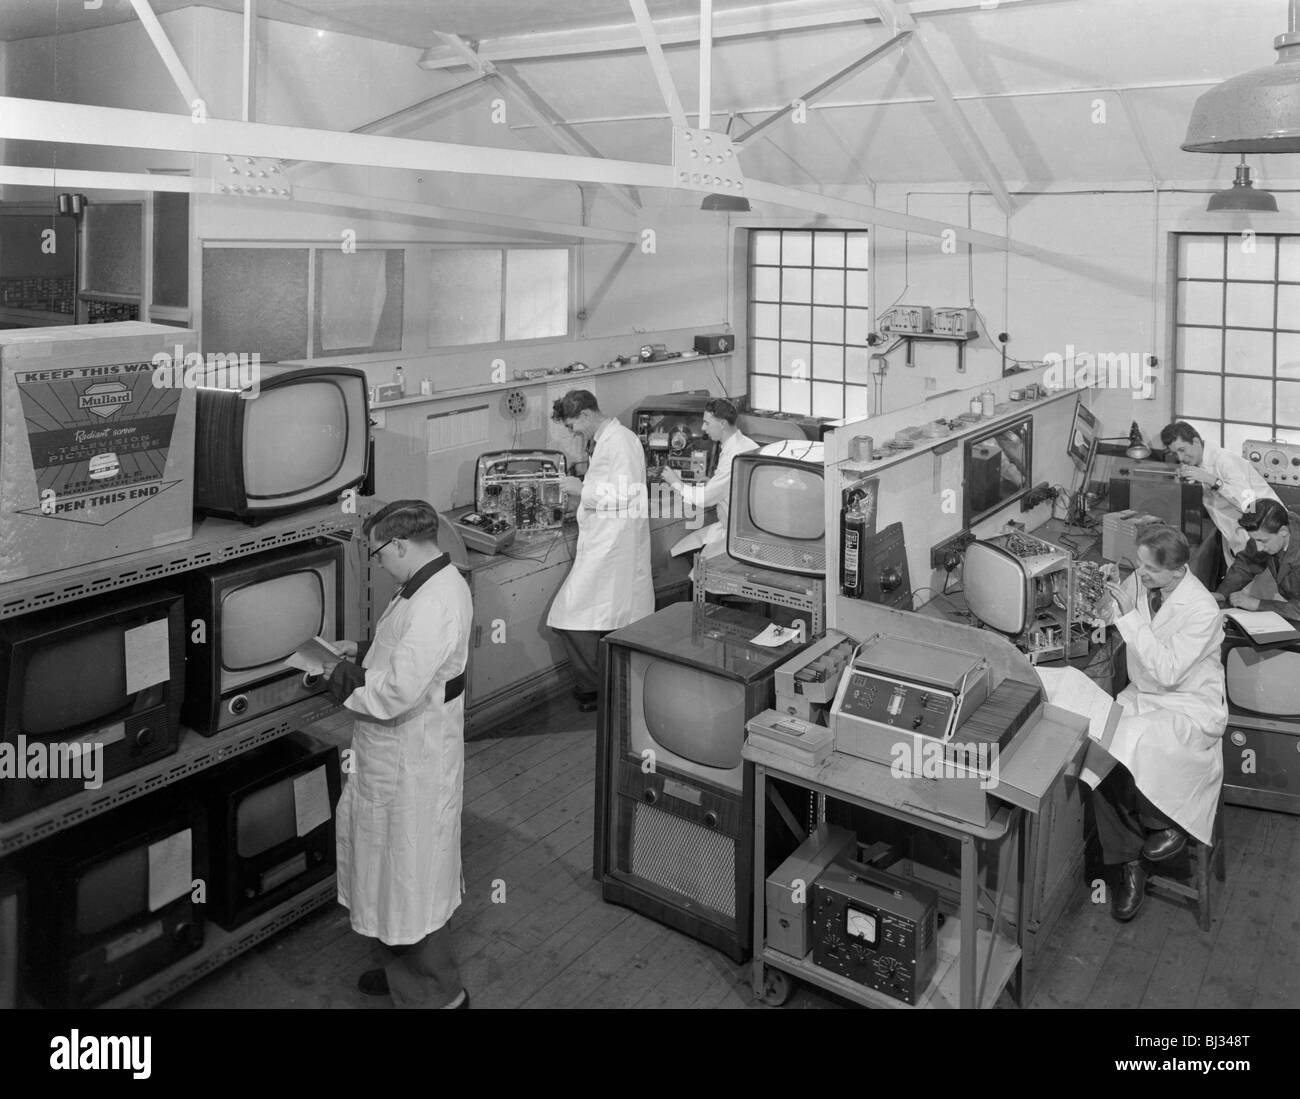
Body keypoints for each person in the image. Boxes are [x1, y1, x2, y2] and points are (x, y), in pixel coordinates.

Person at [323, 500, 472, 1008]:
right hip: (396, 756)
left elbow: (395, 693)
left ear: (401, 545)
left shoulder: (435, 601)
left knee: (413, 884)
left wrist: (334, 678)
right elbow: (406, 652)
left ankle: (438, 995)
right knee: (393, 877)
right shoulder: (426, 582)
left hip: (412, 758)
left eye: (378, 553)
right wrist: (362, 651)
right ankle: (399, 974)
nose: (378, 561)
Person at [1090, 523, 1226, 923]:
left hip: (1187, 703)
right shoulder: (1144, 580)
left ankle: (1166, 821)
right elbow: (1109, 614)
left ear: (1178, 569)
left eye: (1149, 569)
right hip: (1143, 695)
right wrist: (1106, 599)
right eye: (1140, 564)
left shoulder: (1202, 610)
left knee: (1142, 740)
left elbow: (1168, 671)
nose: (1141, 574)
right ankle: (1130, 861)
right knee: (1100, 752)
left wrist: (1129, 618)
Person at [548, 390, 654, 713]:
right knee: (604, 619)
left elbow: (627, 491)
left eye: (571, 425)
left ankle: (597, 687)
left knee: (569, 614)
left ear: (584, 415)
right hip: (605, 544)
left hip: (613, 548)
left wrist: (583, 490)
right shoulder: (606, 441)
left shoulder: (621, 441)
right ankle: (601, 689)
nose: (572, 432)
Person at [1160, 421, 1277, 565]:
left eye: (1182, 450)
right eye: (1175, 453)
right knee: (1240, 585)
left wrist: (1212, 480)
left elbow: (1250, 505)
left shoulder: (1225, 461)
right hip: (1234, 536)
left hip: (1265, 533)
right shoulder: (1197, 464)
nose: (1180, 458)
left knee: (1262, 585)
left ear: (1196, 441)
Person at [659, 397, 758, 562]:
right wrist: (713, 482)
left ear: (722, 423)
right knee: (685, 549)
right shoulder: (745, 444)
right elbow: (730, 484)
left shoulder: (734, 454)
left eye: (707, 423)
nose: (703, 428)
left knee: (697, 572)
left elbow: (705, 498)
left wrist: (675, 482)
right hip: (739, 527)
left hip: (738, 537)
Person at [1215, 498, 1300, 621]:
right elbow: (1247, 563)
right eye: (1255, 540)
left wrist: (1257, 604)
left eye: (1263, 541)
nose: (1259, 548)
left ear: (1283, 531)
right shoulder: (1268, 529)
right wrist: (1222, 594)